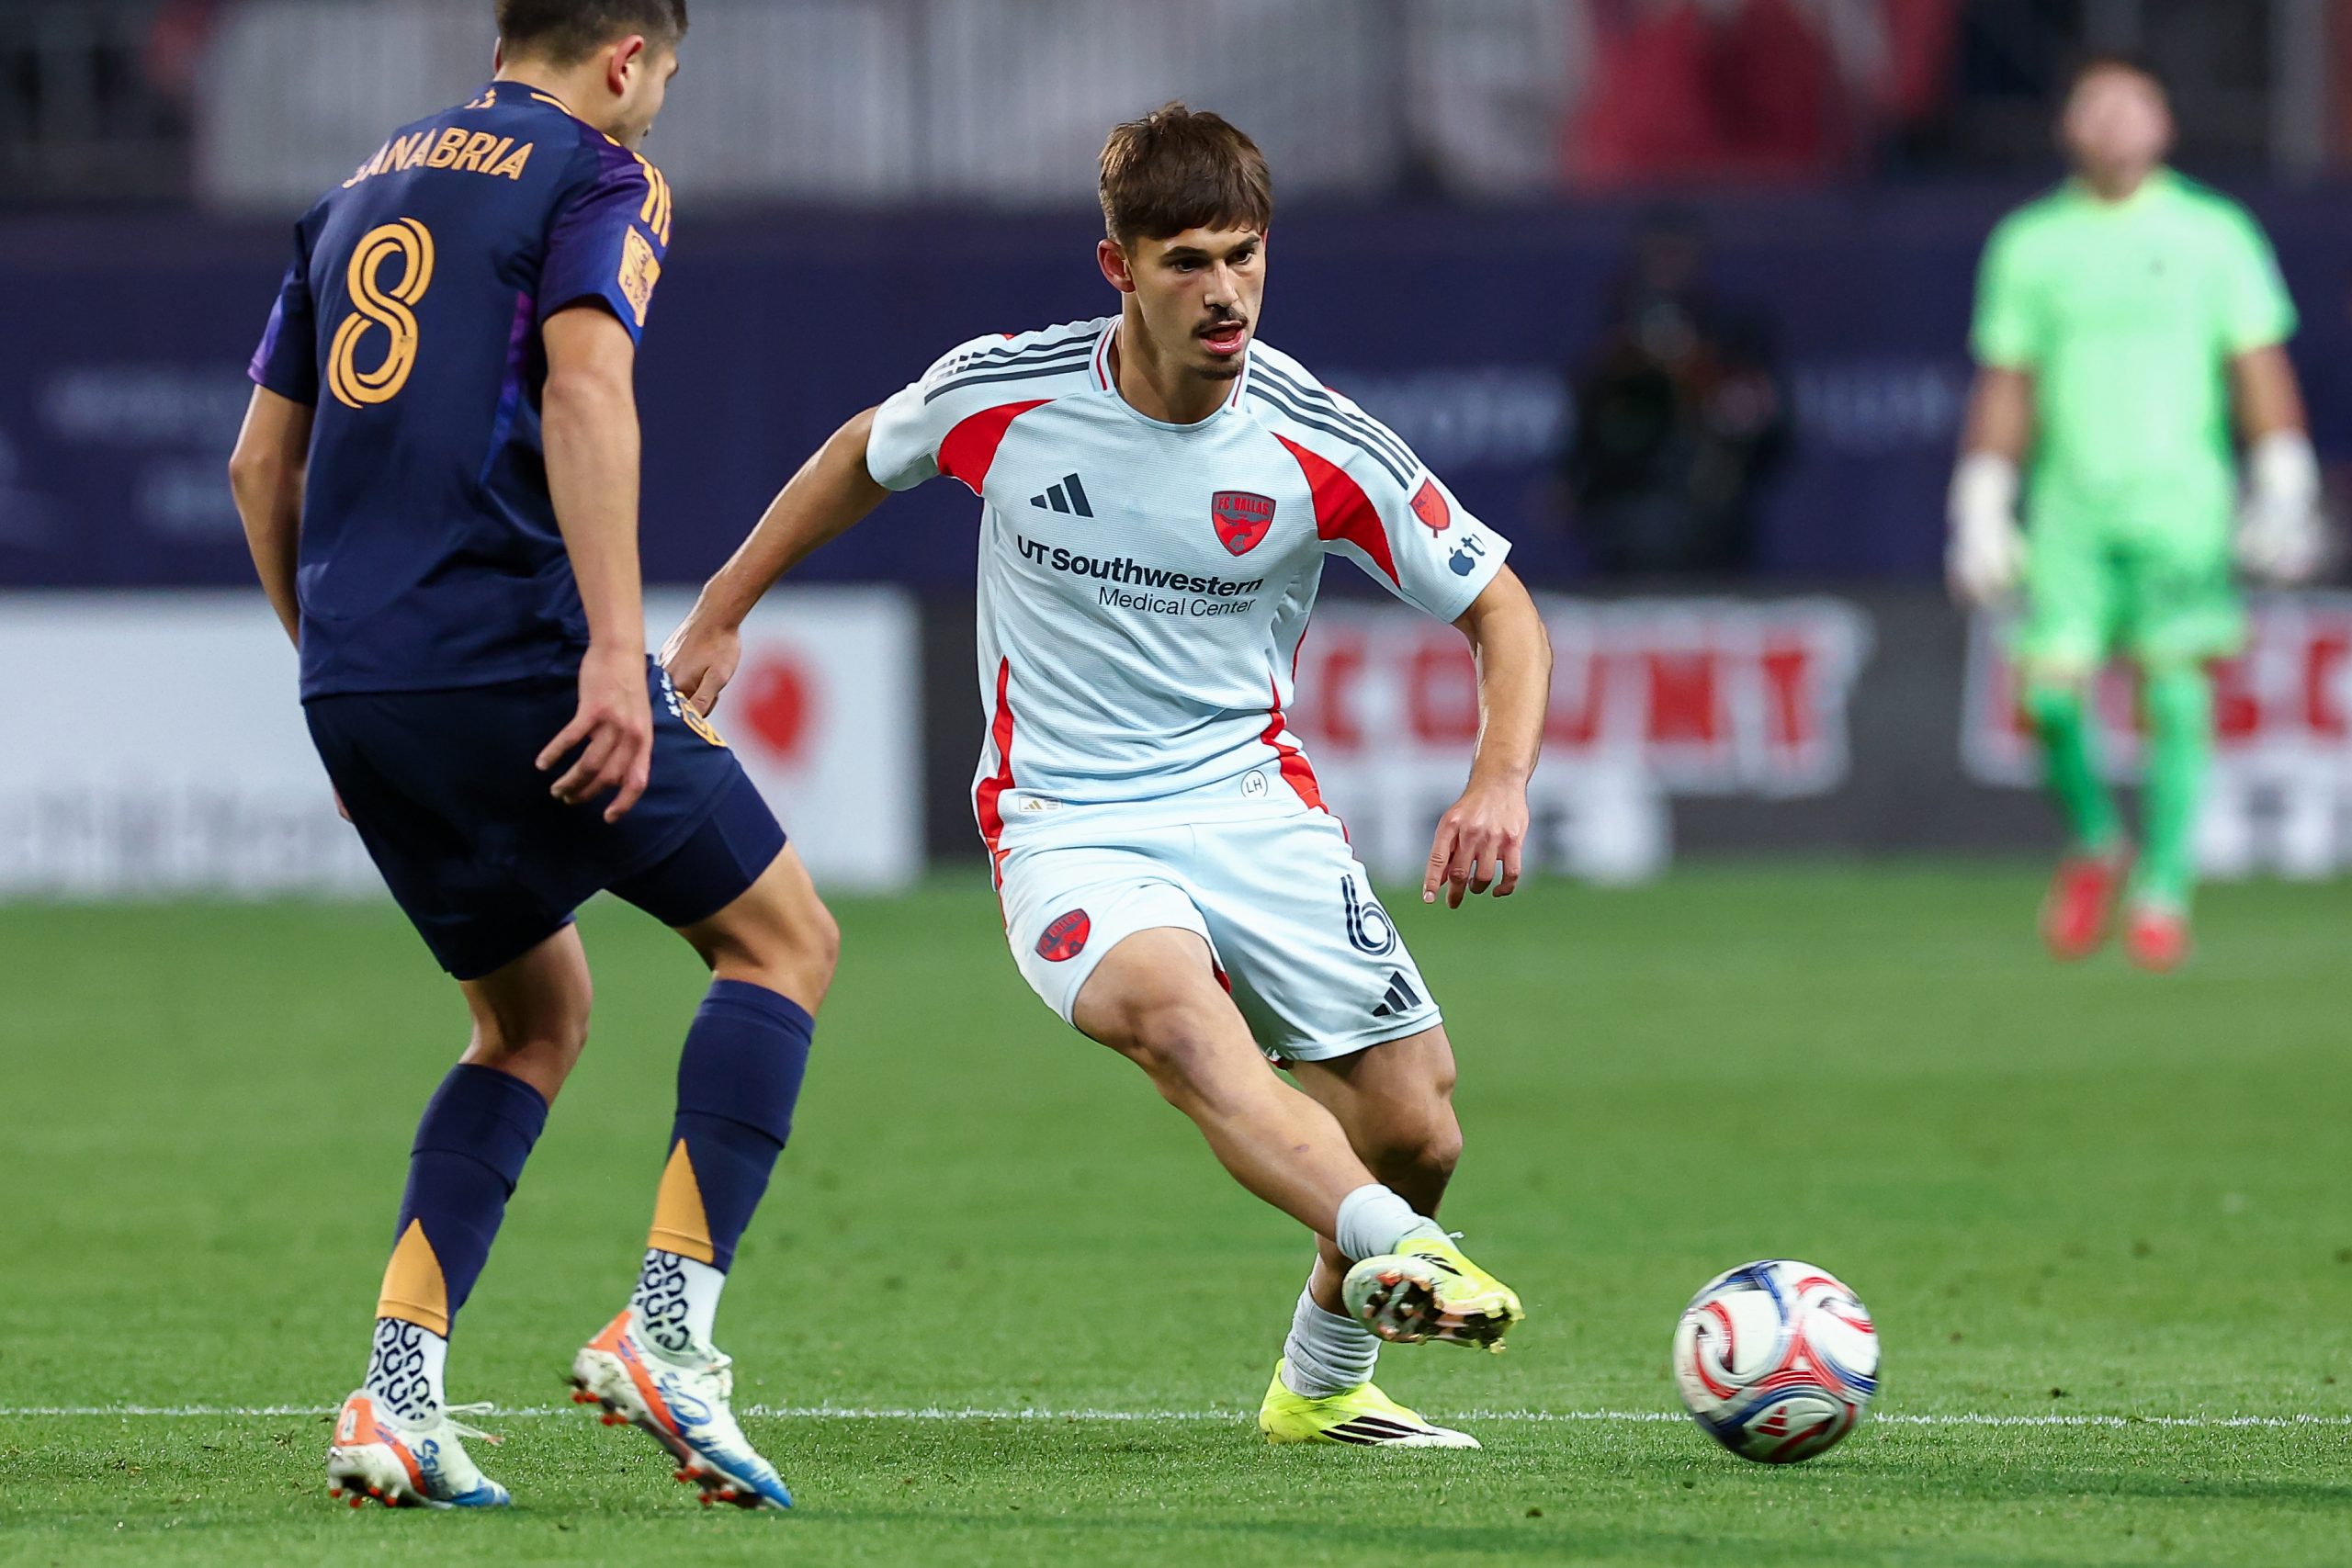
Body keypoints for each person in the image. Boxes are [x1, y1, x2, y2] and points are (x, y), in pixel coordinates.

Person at [663, 104, 1553, 1449]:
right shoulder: (1006, 396)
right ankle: (1397, 1250)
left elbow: (1503, 608)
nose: (1224, 292)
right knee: (1185, 1029)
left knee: (1418, 1129)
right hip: (1068, 827)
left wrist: (1501, 775)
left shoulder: (1318, 443)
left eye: (1245, 255)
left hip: (1253, 805)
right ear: (1117, 267)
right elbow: (861, 450)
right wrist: (724, 609)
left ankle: (1321, 1384)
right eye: (1187, 259)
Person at [227, 0, 834, 1512]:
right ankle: (672, 1334)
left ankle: (400, 1394)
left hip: (358, 678)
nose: (660, 104)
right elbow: (584, 386)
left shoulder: (356, 186)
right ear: (628, 56)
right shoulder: (602, 175)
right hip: (517, 652)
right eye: (668, 77)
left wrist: (338, 649)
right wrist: (614, 652)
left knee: (530, 1016)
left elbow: (257, 462)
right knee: (780, 942)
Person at [1948, 54, 2321, 972]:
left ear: (2163, 125)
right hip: (2070, 507)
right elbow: (2008, 379)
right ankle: (2096, 840)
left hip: (2181, 503)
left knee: (2175, 691)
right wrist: (1982, 502)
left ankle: (2162, 891)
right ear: (2066, 126)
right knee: (2047, 695)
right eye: (2095, 106)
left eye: (2132, 105)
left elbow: (2256, 363)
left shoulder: (2212, 233)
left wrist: (2281, 474)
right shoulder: (2030, 244)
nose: (2114, 122)